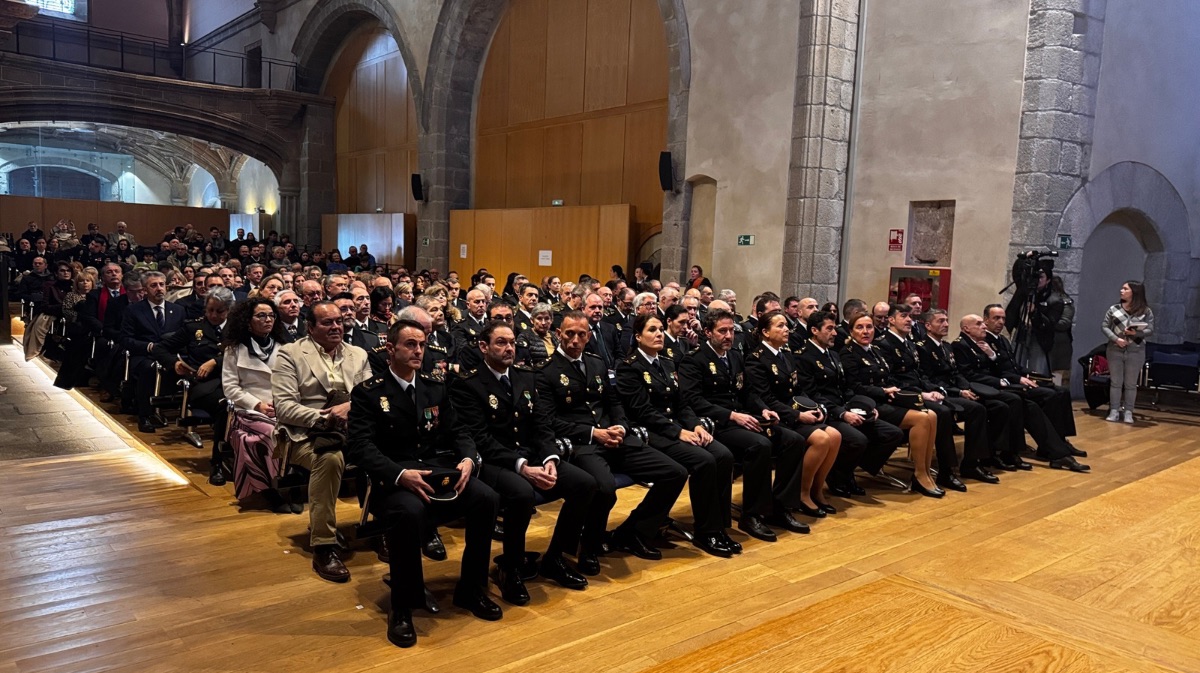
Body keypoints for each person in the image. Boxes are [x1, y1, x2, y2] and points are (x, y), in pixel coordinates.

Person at [347, 319, 501, 648]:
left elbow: (459, 431)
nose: (419, 351)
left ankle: (471, 590)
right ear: (391, 349)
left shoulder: (435, 387)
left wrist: (467, 459)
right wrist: (400, 475)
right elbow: (361, 448)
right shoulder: (368, 393)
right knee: (408, 513)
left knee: (486, 498)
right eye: (410, 345)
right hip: (393, 479)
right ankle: (403, 606)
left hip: (433, 472)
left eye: (422, 345)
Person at [448, 320, 598, 606]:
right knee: (521, 494)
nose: (509, 348)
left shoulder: (526, 376)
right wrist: (522, 466)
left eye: (512, 343)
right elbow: (480, 439)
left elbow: (542, 425)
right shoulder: (468, 384)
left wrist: (550, 458)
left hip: (532, 455)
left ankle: (555, 558)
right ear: (483, 346)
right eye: (501, 342)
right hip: (495, 461)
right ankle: (511, 567)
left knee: (585, 484)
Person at [536, 311, 688, 572]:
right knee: (604, 488)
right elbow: (550, 421)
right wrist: (595, 433)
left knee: (675, 472)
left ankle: (633, 532)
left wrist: (620, 425)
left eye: (581, 334)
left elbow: (614, 402)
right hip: (583, 444)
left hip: (615, 438)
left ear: (588, 337)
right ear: (559, 334)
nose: (575, 340)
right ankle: (590, 546)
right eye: (569, 334)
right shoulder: (546, 372)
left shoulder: (596, 364)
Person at [678, 308, 810, 541]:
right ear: (708, 332)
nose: (729, 336)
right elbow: (693, 401)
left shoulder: (735, 356)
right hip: (717, 423)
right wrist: (732, 415)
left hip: (743, 417)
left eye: (731, 330)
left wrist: (762, 408)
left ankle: (780, 507)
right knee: (759, 445)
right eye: (722, 331)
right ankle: (753, 514)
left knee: (793, 440)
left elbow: (748, 391)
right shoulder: (694, 359)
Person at [616, 314, 739, 557]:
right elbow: (643, 412)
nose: (659, 334)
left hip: (677, 428)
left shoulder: (668, 363)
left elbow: (682, 404)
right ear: (638, 337)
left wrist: (696, 426)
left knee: (723, 455)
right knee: (703, 461)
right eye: (652, 330)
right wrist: (679, 431)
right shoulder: (629, 367)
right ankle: (705, 531)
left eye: (661, 329)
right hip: (651, 432)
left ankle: (717, 525)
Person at [272, 301, 373, 582]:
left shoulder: (358, 354)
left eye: (339, 321)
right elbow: (284, 408)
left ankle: (382, 529)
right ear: (310, 327)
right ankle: (324, 546)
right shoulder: (290, 354)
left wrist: (349, 408)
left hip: (353, 430)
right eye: (327, 323)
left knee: (385, 451)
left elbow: (370, 397)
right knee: (330, 458)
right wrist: (329, 418)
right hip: (303, 434)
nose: (336, 327)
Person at [954, 313, 1088, 472]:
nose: (983, 326)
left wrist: (992, 356)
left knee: (1031, 405)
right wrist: (1001, 381)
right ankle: (1017, 452)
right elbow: (970, 375)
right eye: (979, 323)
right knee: (1019, 400)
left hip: (993, 386)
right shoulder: (960, 345)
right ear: (966, 328)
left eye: (983, 323)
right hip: (980, 389)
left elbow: (996, 367)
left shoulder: (981, 343)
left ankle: (1057, 452)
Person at [795, 311, 905, 498]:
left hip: (845, 407)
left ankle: (845, 470)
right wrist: (842, 414)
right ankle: (838, 476)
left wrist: (866, 407)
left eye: (835, 328)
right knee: (857, 439)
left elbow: (846, 389)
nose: (835, 333)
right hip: (826, 413)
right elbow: (813, 395)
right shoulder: (803, 357)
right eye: (829, 329)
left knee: (892, 433)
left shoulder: (833, 355)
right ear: (814, 330)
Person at [746, 310, 842, 517]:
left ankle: (816, 489)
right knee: (821, 440)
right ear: (765, 332)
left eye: (786, 325)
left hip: (793, 411)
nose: (786, 329)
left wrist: (813, 407)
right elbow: (766, 400)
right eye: (779, 326)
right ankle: (802, 492)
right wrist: (798, 416)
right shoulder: (756, 359)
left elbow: (797, 390)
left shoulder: (786, 354)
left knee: (835, 436)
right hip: (778, 417)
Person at [875, 303, 981, 492]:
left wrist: (933, 390)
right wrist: (922, 394)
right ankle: (945, 471)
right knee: (942, 412)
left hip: (919, 390)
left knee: (974, 408)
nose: (909, 320)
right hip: (901, 395)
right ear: (891, 320)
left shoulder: (908, 343)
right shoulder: (883, 344)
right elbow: (891, 379)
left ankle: (972, 463)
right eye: (904, 316)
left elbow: (919, 375)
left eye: (910, 316)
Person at [839, 313, 943, 497]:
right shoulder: (848, 354)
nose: (866, 331)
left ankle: (925, 471)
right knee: (921, 420)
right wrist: (883, 391)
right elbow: (853, 387)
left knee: (932, 415)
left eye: (869, 327)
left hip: (887, 398)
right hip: (868, 403)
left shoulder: (875, 350)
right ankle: (919, 475)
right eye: (860, 327)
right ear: (851, 331)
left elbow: (888, 377)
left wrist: (894, 389)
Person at [154, 288, 234, 484]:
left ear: (229, 310)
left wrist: (217, 361)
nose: (213, 315)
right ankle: (217, 462)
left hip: (234, 380)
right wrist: (174, 363)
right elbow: (160, 348)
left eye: (219, 311)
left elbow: (245, 354)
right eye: (210, 310)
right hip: (203, 385)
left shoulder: (238, 328)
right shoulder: (193, 328)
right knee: (226, 406)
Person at [221, 297, 293, 510]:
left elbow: (294, 382)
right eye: (261, 315)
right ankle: (274, 490)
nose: (268, 319)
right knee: (272, 433)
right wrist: (257, 404)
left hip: (282, 404)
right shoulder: (234, 349)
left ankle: (292, 486)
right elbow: (231, 388)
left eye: (271, 315)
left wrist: (283, 403)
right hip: (248, 410)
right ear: (247, 320)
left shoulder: (285, 348)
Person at [120, 271, 187, 433]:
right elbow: (126, 339)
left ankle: (186, 413)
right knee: (148, 369)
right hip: (145, 354)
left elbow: (184, 336)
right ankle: (145, 415)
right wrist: (148, 346)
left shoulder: (178, 310)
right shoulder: (134, 310)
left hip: (170, 354)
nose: (159, 289)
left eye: (162, 285)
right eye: (153, 285)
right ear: (144, 289)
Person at [1102, 280, 1154, 424]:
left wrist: (1135, 334)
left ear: (1134, 292)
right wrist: (1115, 339)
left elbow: (1150, 330)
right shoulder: (1114, 309)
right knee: (1116, 382)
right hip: (1115, 349)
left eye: (1125, 289)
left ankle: (1129, 411)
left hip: (1135, 351)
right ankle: (1114, 410)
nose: (1121, 291)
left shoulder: (1145, 311)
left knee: (1131, 383)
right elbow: (1105, 326)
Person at [514, 302, 557, 366]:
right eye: (539, 318)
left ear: (551, 320)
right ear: (532, 320)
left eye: (547, 318)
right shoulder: (524, 337)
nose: (543, 323)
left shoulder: (555, 335)